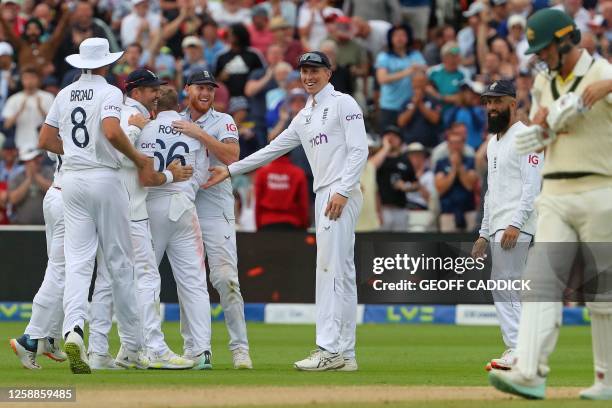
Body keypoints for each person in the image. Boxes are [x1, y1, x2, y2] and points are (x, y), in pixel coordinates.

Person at [201, 51, 368, 371]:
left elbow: (359, 149)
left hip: (339, 193)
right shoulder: (305, 115)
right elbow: (271, 150)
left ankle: (328, 349)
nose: (309, 76)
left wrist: (343, 190)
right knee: (342, 274)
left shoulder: (343, 103)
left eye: (315, 70)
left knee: (330, 270)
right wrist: (231, 169)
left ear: (328, 73)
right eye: (304, 71)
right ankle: (345, 354)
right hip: (325, 194)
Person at [489, 9, 612, 400]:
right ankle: (529, 372)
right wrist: (543, 127)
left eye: (545, 48)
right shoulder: (543, 81)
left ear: (565, 41)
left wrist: (609, 86)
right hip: (554, 195)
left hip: (598, 187)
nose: (541, 57)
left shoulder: (601, 71)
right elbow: (544, 134)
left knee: (602, 291)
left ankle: (607, 379)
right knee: (539, 285)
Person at [36, 37, 158, 374]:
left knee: (77, 262)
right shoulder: (110, 93)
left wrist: (77, 153)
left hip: (71, 180)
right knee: (119, 263)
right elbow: (111, 131)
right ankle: (132, 346)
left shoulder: (64, 93)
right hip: (104, 178)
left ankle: (73, 329)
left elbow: (45, 140)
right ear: (106, 63)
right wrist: (136, 157)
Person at [87, 70, 194, 371]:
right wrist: (136, 132)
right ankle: (154, 349)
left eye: (157, 89)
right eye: (151, 90)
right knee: (146, 277)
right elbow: (118, 157)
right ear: (135, 92)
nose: (156, 94)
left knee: (109, 280)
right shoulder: (131, 116)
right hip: (129, 211)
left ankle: (104, 351)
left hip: (114, 208)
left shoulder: (128, 113)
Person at [171, 69, 253, 370]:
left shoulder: (224, 121)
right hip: (183, 205)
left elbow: (232, 155)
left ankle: (240, 349)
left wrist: (200, 134)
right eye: (199, 88)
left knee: (226, 279)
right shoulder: (173, 120)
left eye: (210, 88)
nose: (205, 93)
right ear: (187, 89)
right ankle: (192, 347)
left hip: (215, 206)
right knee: (189, 280)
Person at [470, 80, 542, 372]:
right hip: (499, 223)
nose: (491, 107)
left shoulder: (527, 136)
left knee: (504, 285)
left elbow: (532, 186)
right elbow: (491, 191)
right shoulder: (493, 142)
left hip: (517, 223)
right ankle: (524, 350)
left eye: (497, 102)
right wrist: (484, 232)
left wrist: (515, 223)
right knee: (507, 286)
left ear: (513, 103)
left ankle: (518, 350)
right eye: (488, 102)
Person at [143, 85, 212, 370]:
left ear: (154, 104)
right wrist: (184, 191)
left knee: (146, 277)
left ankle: (144, 346)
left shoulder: (145, 128)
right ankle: (200, 350)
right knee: (194, 281)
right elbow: (201, 175)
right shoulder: (192, 131)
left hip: (150, 204)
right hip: (183, 205)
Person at [9, 152, 67, 369]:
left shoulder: (64, 119)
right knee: (60, 272)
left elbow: (48, 143)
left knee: (69, 272)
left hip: (56, 192)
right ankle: (30, 338)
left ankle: (50, 338)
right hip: (70, 198)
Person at [375, 24, 426, 131]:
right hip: (390, 106)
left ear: (408, 38)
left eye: (403, 35)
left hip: (409, 105)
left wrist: (421, 68)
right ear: (390, 39)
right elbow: (382, 79)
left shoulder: (415, 55)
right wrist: (408, 71)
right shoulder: (384, 57)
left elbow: (424, 72)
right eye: (396, 35)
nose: (399, 38)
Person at [371, 125, 416, 231]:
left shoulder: (405, 160)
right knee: (380, 244)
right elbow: (371, 168)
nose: (391, 139)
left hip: (400, 209)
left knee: (400, 244)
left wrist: (406, 186)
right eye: (387, 136)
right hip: (381, 209)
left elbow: (416, 183)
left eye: (394, 136)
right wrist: (386, 148)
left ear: (400, 140)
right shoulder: (377, 157)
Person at [2, 66, 54, 155]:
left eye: (32, 77)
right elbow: (6, 125)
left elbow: (56, 124)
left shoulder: (48, 97)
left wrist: (41, 110)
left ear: (38, 79)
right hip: (20, 145)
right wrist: (19, 111)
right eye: (26, 78)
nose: (29, 81)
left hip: (42, 145)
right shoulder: (14, 99)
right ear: (22, 80)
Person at [434, 130, 478, 232]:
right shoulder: (441, 163)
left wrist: (459, 166)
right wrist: (453, 169)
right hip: (448, 212)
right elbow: (440, 188)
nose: (455, 146)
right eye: (452, 143)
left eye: (458, 142)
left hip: (468, 211)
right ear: (448, 144)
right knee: (447, 246)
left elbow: (469, 185)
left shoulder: (470, 161)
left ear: (463, 144)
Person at [254, 154, 310, 230]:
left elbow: (257, 204)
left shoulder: (262, 173)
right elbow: (303, 204)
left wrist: (258, 227)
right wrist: (304, 226)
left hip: (266, 225)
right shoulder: (298, 173)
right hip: (292, 226)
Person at [7, 148, 53, 225]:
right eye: (28, 162)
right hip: (22, 225)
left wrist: (35, 176)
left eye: (34, 160)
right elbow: (13, 199)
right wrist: (29, 179)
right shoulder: (17, 177)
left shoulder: (48, 172)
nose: (32, 164)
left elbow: (53, 191)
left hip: (46, 225)